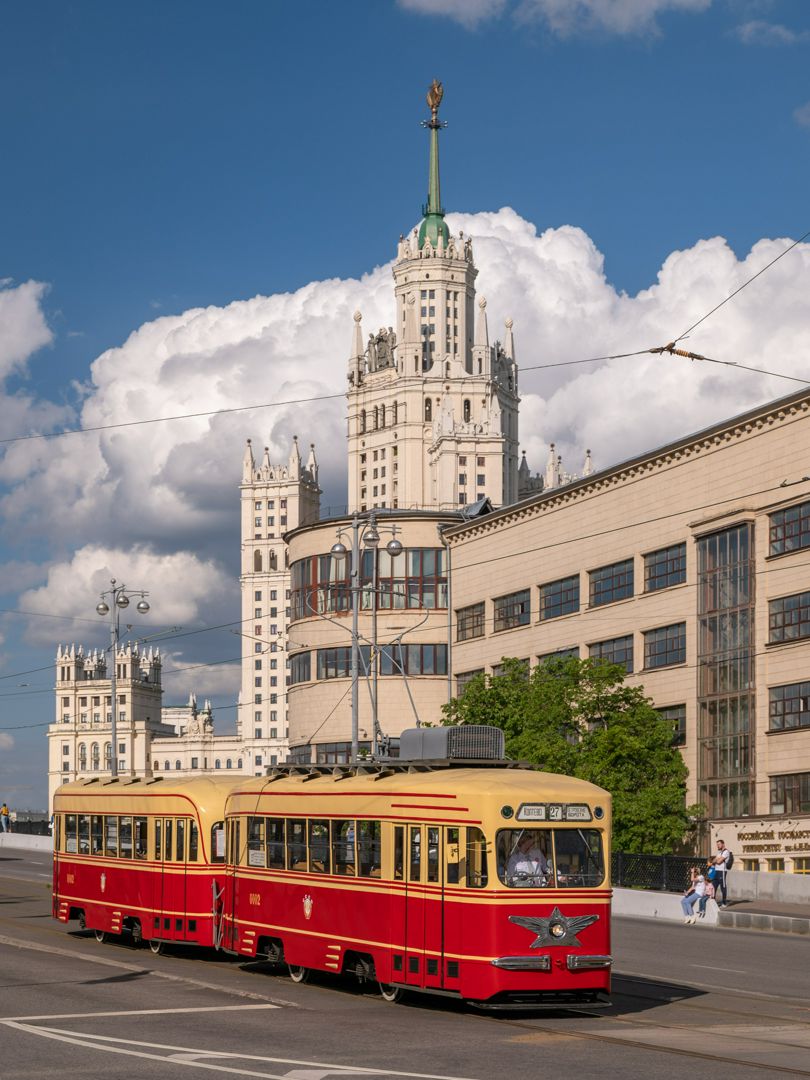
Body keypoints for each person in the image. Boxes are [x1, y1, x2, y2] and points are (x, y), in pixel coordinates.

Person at [712, 839, 732, 907]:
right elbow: (713, 860)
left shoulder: (726, 852)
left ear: (723, 844)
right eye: (717, 845)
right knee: (713, 887)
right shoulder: (719, 852)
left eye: (719, 844)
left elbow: (718, 861)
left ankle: (724, 902)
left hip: (722, 871)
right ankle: (713, 902)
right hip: (716, 871)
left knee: (723, 887)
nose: (718, 846)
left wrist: (717, 860)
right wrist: (716, 860)